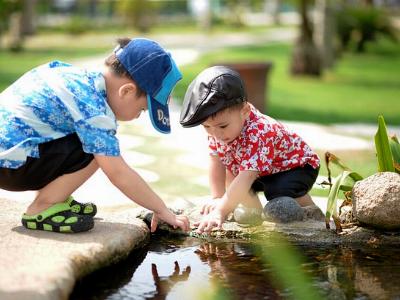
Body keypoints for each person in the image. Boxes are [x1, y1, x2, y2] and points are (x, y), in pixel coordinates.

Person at [0, 37, 190, 234]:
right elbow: (118, 173)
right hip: (12, 167)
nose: (137, 117)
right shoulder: (94, 109)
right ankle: (44, 206)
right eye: (142, 110)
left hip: (10, 158)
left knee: (87, 139)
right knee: (99, 150)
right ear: (126, 91)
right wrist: (161, 209)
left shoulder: (76, 78)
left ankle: (55, 196)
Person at [179, 66, 320, 234]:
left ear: (244, 111)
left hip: (296, 167)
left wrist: (220, 212)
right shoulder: (218, 130)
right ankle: (255, 217)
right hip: (263, 171)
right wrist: (218, 198)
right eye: (207, 127)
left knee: (277, 191)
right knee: (234, 178)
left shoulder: (260, 131)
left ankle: (312, 214)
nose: (215, 134)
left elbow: (247, 176)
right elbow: (216, 161)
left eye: (222, 126)